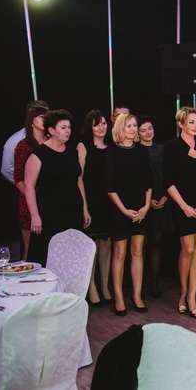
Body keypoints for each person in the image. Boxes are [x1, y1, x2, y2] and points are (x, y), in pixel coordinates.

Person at [164, 107, 196, 318]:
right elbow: (168, 182)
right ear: (181, 124)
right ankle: (183, 293)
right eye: (191, 122)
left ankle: (192, 297)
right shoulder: (172, 147)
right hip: (181, 205)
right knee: (187, 248)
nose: (195, 126)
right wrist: (184, 206)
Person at [24, 109, 91, 264]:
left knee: (72, 257)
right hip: (49, 215)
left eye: (69, 127)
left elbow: (78, 181)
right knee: (48, 256)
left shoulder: (72, 152)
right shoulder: (38, 155)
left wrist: (84, 208)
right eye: (63, 127)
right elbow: (29, 186)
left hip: (72, 212)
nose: (68, 131)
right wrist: (35, 215)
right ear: (51, 130)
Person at [106, 113, 152, 316]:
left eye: (134, 125)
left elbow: (149, 182)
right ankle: (118, 297)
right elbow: (109, 187)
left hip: (140, 208)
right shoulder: (112, 153)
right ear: (120, 129)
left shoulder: (142, 151)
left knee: (138, 251)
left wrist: (146, 206)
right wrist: (124, 210)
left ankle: (137, 295)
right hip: (119, 209)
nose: (133, 129)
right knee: (119, 253)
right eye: (129, 126)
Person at [78, 110, 113, 306]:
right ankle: (91, 286)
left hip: (109, 202)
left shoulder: (111, 147)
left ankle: (105, 286)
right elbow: (79, 179)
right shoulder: (83, 146)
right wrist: (84, 207)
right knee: (91, 247)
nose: (102, 127)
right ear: (90, 127)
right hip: (90, 201)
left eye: (104, 123)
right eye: (97, 124)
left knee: (106, 245)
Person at [137, 116, 170, 298]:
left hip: (163, 199)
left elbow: (170, 175)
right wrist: (147, 201)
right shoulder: (135, 151)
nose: (148, 132)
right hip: (142, 203)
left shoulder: (162, 149)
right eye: (143, 130)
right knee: (141, 245)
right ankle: (140, 285)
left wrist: (165, 196)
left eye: (150, 128)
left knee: (157, 242)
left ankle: (155, 282)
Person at [14, 102, 48, 260]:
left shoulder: (51, 141)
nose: (45, 120)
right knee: (30, 249)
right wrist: (33, 197)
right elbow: (19, 180)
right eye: (42, 117)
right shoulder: (23, 146)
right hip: (29, 204)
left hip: (50, 202)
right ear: (32, 121)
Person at [2, 100, 49, 184]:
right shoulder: (15, 141)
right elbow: (7, 170)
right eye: (41, 116)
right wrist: (25, 186)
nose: (46, 119)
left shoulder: (52, 135)